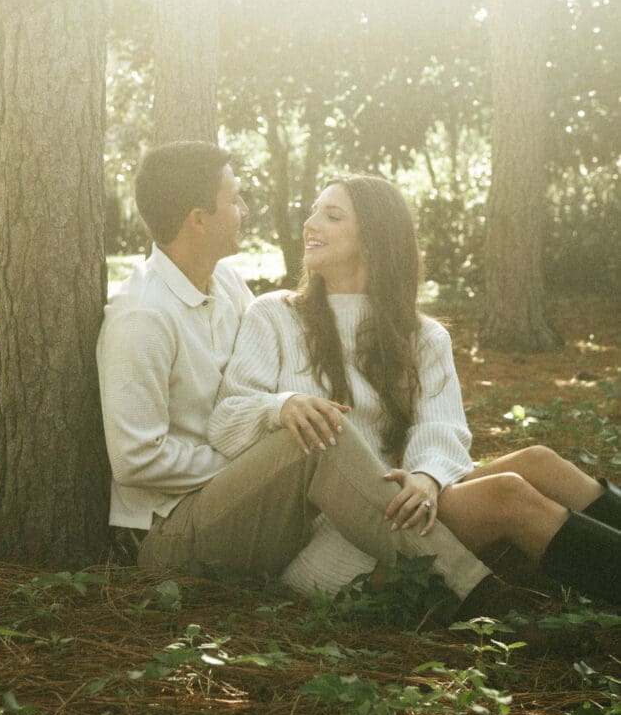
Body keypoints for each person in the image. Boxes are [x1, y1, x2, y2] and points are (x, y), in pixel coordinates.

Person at [97, 142, 524, 622]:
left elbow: (254, 386)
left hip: (251, 503)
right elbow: (136, 460)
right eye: (234, 199)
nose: (246, 209)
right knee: (318, 435)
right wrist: (263, 458)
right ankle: (481, 594)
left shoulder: (227, 285)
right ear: (199, 218)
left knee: (533, 468)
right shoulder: (143, 317)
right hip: (173, 532)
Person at [208, 173, 621, 606]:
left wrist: (427, 477)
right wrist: (281, 406)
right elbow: (227, 418)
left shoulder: (422, 335)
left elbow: (442, 427)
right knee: (507, 494)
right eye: (313, 211)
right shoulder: (273, 314)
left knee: (540, 461)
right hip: (341, 535)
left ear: (373, 238)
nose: (310, 224)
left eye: (331, 215)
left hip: (405, 506)